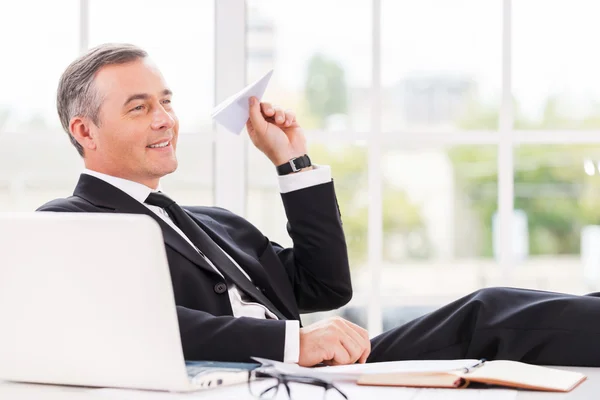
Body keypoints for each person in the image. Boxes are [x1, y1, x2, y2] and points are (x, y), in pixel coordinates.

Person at [38, 43, 600, 368]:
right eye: (139, 108)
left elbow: (327, 289)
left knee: (514, 311)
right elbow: (133, 324)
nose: (165, 119)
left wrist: (292, 163)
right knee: (487, 310)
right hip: (256, 374)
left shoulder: (216, 225)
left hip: (318, 373)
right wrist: (294, 342)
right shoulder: (66, 226)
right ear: (85, 130)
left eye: (165, 102)